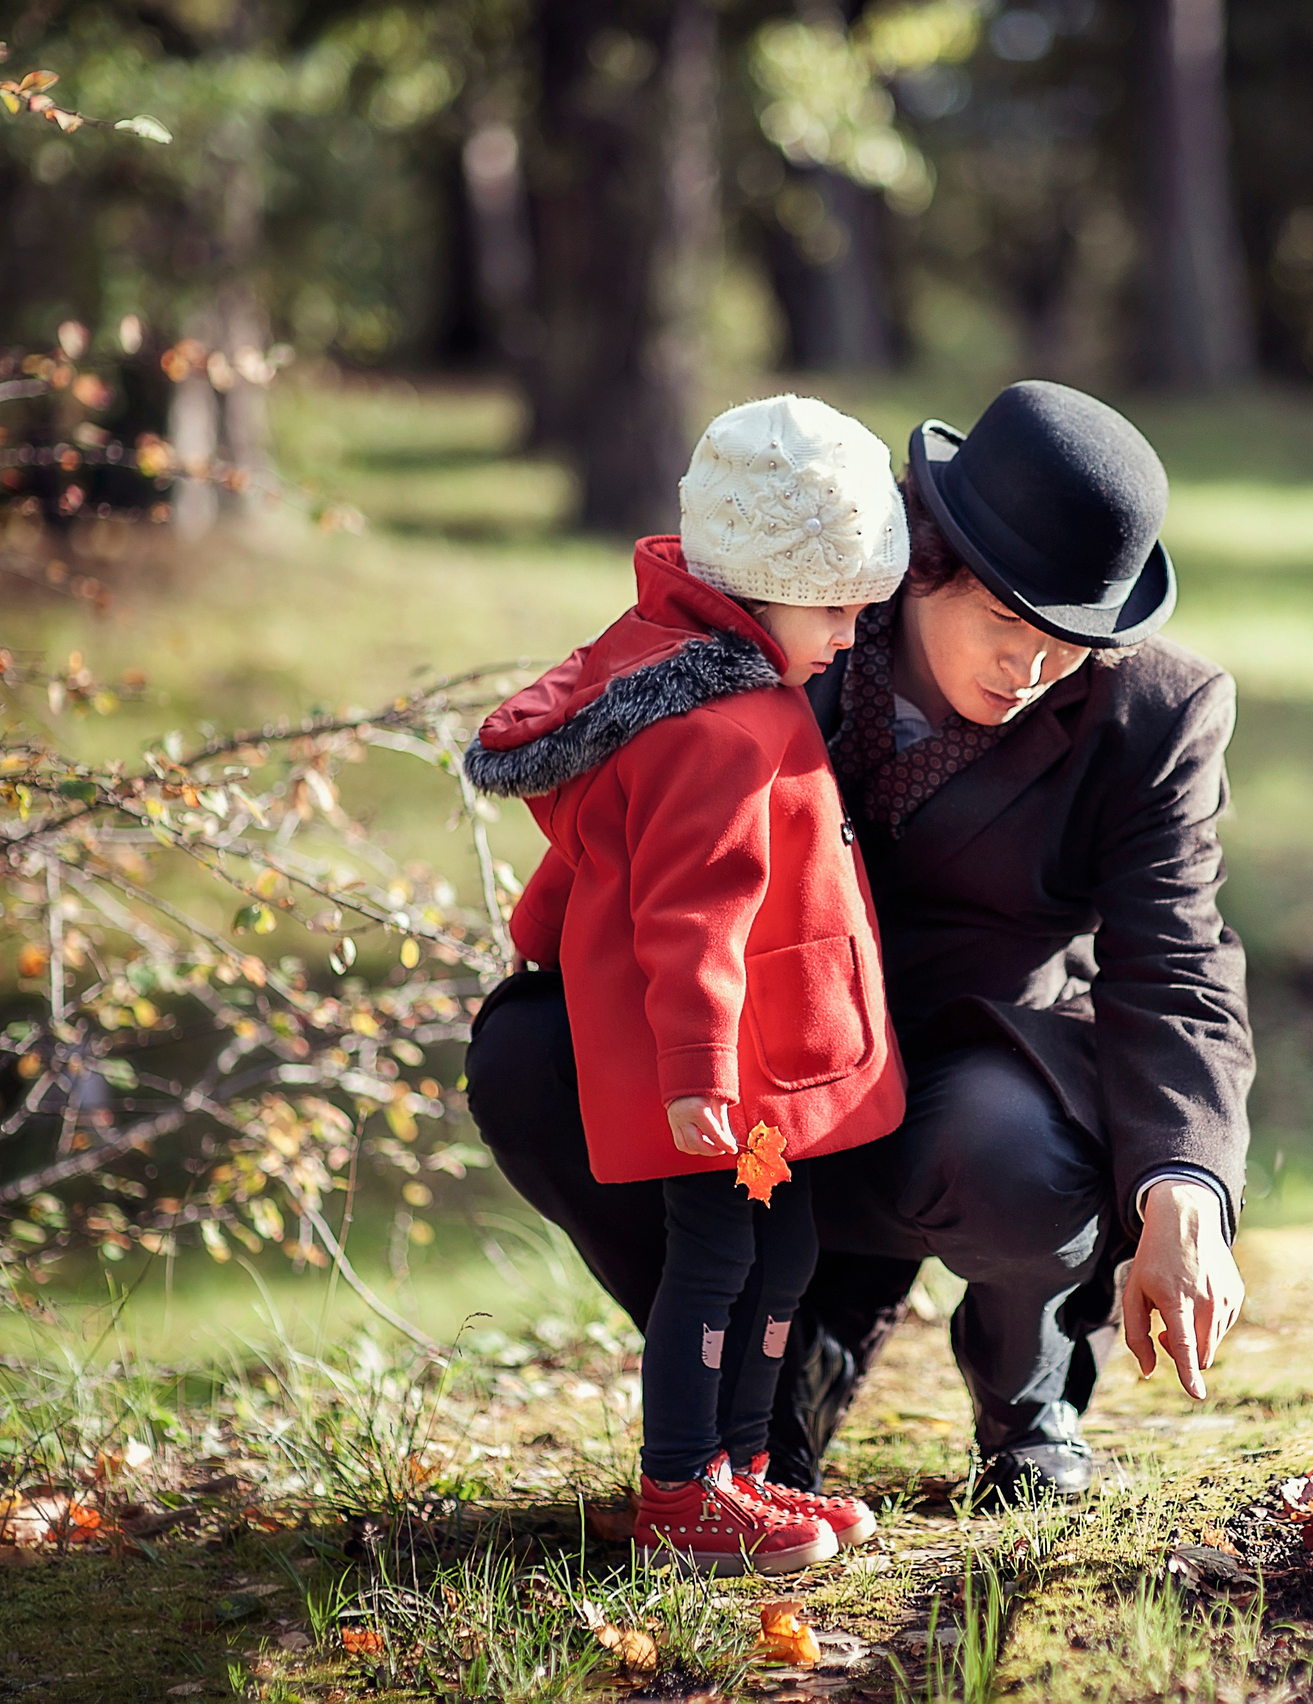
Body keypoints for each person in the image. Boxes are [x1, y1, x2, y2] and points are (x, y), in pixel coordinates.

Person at [469, 380, 1252, 1506]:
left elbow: (1176, 960)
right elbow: (635, 833)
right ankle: (759, 1386)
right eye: (1006, 626)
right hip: (752, 1063)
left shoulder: (1154, 715)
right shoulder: (795, 617)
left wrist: (1184, 1188)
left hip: (963, 1080)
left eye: (1068, 645)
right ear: (922, 561)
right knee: (528, 1057)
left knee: (1017, 1154)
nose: (1031, 671)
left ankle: (1027, 1402)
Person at [462, 394, 910, 1573]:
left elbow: (592, 848)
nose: (855, 634)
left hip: (762, 1068)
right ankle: (681, 1489)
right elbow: (689, 908)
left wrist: (541, 923)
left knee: (783, 1251)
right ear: (763, 582)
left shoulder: (685, 675)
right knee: (716, 1259)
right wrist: (694, 1070)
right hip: (723, 1076)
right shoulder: (718, 723)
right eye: (837, 606)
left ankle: (745, 1470)